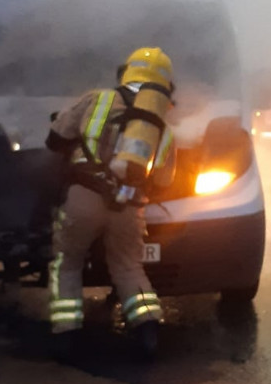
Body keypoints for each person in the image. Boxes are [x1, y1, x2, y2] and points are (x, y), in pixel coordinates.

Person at [44, 47, 176, 355]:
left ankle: (66, 333)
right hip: (128, 206)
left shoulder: (97, 99)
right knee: (129, 267)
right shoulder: (162, 128)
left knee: (68, 263)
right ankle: (147, 329)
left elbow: (55, 140)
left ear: (127, 71)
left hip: (84, 197)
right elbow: (164, 181)